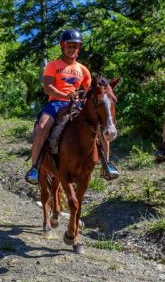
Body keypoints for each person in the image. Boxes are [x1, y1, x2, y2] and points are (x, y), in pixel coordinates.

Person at [25, 29, 119, 184]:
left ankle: (106, 165)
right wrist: (64, 96)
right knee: (42, 127)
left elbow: (90, 91)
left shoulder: (83, 70)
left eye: (75, 46)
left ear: (79, 48)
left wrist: (83, 100)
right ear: (63, 46)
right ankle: (35, 167)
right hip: (55, 103)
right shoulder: (52, 65)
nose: (72, 49)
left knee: (101, 127)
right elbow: (47, 87)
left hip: (77, 104)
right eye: (69, 46)